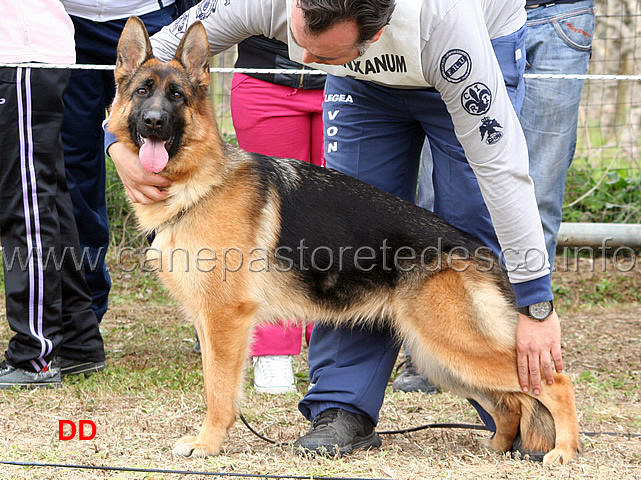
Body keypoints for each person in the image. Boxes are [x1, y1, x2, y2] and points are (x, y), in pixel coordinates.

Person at [107, 0, 563, 456]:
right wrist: (116, 146)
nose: (302, 66)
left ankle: (518, 407)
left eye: (321, 57)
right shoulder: (258, 4)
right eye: (300, 43)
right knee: (349, 236)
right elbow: (147, 61)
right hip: (362, 80)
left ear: (374, 34)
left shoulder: (447, 24)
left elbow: (503, 169)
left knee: (467, 225)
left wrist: (536, 302)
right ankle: (344, 408)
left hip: (460, 62)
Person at [395, 0, 596, 394]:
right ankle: (431, 348)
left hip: (555, 16)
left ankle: (520, 349)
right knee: (436, 198)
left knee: (537, 197)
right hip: (468, 16)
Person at [0, 0, 106, 389]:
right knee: (45, 198)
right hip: (25, 51)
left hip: (19, 51)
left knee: (25, 203)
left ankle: (35, 353)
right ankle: (77, 341)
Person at [59, 0, 180, 324]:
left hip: (150, 15)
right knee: (73, 170)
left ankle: (206, 303)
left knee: (175, 166)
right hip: (68, 23)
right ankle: (84, 317)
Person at [231, 36, 323, 394]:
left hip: (348, 81)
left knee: (333, 221)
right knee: (266, 222)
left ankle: (333, 349)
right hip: (264, 78)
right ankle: (271, 349)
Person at [521, 0, 595, 266]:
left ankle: (533, 304)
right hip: (476, 15)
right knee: (451, 187)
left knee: (541, 191)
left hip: (561, 13)